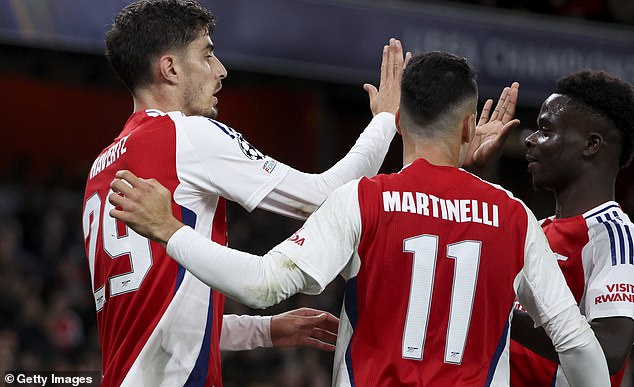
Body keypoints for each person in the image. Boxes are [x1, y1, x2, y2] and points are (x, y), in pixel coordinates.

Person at [108, 52, 611, 386]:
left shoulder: (364, 201)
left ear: (401, 122)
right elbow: (579, 348)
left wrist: (171, 231)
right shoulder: (515, 217)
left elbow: (262, 285)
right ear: (466, 127)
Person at [81, 0, 411, 385]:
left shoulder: (100, 169)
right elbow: (325, 194)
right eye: (207, 55)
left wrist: (263, 331)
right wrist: (386, 119)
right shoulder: (186, 134)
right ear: (169, 68)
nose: (220, 71)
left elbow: (156, 320)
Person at [503, 70, 634, 386]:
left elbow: (610, 349)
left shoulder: (614, 235)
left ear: (591, 144)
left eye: (546, 130)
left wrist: (502, 316)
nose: (530, 139)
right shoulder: (535, 229)